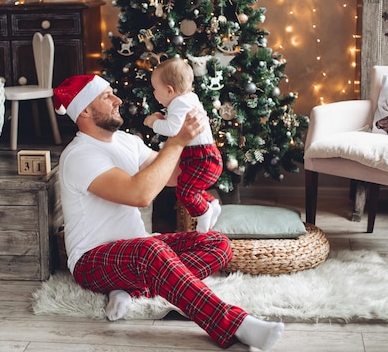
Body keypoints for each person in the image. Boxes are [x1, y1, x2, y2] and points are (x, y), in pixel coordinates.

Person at [53, 74, 284, 350]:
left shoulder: (127, 142)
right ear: (86, 110)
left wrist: (200, 143)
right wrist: (176, 141)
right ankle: (235, 324)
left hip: (137, 250)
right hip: (92, 260)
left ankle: (131, 290)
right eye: (106, 97)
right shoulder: (79, 155)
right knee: (151, 252)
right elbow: (140, 194)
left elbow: (172, 175)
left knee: (217, 244)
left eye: (113, 93)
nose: (117, 100)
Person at [144, 57, 222, 233]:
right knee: (190, 189)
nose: (154, 94)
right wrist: (164, 119)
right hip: (202, 156)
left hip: (201, 158)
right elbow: (178, 126)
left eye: (155, 89)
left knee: (185, 193)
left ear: (169, 90)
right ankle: (211, 203)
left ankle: (204, 213)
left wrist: (152, 123)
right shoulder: (189, 98)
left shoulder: (179, 103)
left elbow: (172, 129)